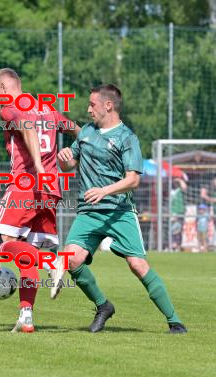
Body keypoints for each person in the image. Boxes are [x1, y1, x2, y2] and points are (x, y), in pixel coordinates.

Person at [57, 84, 187, 334]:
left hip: (120, 212)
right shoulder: (85, 132)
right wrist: (65, 159)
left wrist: (104, 190)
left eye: (92, 104)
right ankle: (103, 306)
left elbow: (133, 179)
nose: (88, 109)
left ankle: (174, 321)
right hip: (89, 211)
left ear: (109, 105)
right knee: (71, 259)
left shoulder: (127, 137)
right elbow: (69, 166)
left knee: (137, 265)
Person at [0, 68, 80, 333]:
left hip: (25, 185)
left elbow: (26, 127)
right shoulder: (47, 109)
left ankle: (53, 262)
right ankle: (26, 316)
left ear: (3, 89)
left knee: (2, 244)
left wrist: (38, 168)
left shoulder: (9, 108)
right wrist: (77, 155)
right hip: (51, 189)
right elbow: (76, 130)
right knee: (29, 254)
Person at [169, 178, 187, 250]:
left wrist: (180, 180)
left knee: (178, 228)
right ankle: (174, 244)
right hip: (172, 212)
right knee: (173, 229)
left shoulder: (180, 190)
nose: (174, 183)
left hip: (179, 212)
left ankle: (177, 245)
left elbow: (185, 187)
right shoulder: (171, 191)